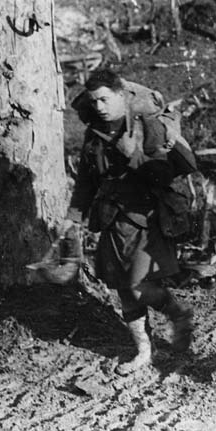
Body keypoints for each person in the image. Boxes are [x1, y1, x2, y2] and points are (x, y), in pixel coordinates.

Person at [67, 69, 195, 374]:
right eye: (94, 100)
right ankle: (143, 351)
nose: (99, 106)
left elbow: (165, 175)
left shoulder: (146, 125)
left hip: (144, 217)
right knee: (121, 288)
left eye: (105, 99)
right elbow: (86, 181)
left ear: (121, 95)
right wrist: (73, 216)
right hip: (111, 218)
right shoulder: (93, 133)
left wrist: (133, 154)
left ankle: (179, 314)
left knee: (138, 286)